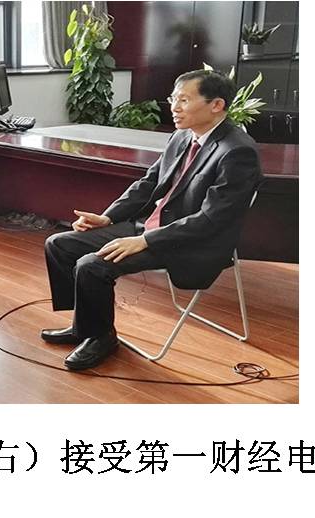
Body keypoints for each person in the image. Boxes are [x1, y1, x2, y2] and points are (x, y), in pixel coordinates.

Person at [42, 69, 264, 370]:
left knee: (92, 265)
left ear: (216, 105)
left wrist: (145, 240)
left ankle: (101, 338)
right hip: (150, 226)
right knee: (59, 244)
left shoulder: (237, 151)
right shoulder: (182, 136)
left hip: (190, 241)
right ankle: (86, 326)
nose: (174, 107)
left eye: (184, 100)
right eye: (173, 99)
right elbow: (148, 183)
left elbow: (211, 220)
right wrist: (107, 218)